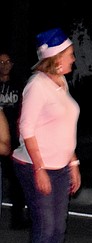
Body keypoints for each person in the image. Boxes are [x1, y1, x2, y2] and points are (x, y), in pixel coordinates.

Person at [12, 29, 86, 243]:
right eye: (70, 55)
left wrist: (74, 163)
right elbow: (26, 130)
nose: (74, 59)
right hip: (34, 165)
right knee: (45, 230)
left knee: (58, 229)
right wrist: (39, 169)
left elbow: (65, 128)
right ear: (55, 58)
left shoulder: (61, 82)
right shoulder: (37, 85)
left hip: (60, 165)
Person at [0, 51, 28, 229]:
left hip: (14, 139)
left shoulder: (18, 85)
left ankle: (17, 218)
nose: (4, 65)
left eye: (7, 61)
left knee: (17, 180)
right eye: (1, 62)